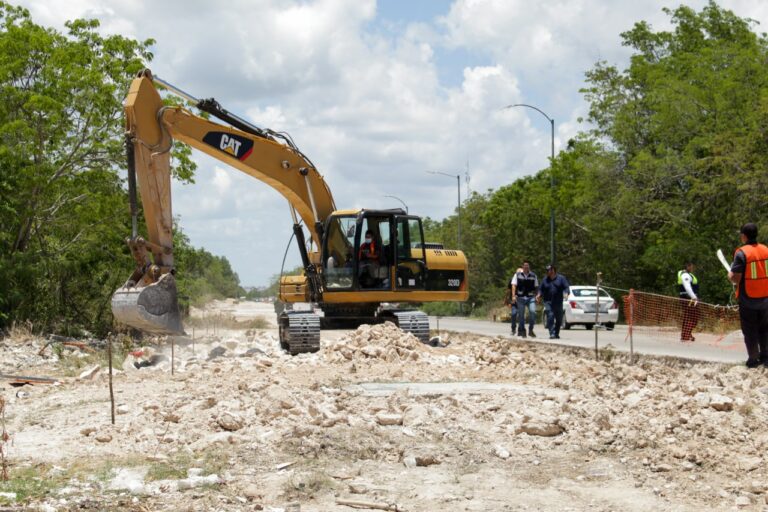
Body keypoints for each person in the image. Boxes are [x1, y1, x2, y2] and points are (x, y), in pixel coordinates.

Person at [728, 223, 768, 368]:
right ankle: (766, 357)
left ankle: (753, 360)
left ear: (744, 236)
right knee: (765, 329)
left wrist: (729, 276)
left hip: (748, 299)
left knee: (750, 330)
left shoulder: (741, 253)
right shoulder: (766, 250)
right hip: (765, 297)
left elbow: (736, 278)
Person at [537, 264, 570, 339]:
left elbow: (566, 287)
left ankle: (556, 333)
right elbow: (540, 289)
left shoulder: (561, 278)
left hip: (558, 301)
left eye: (550, 270)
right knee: (550, 315)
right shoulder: (545, 280)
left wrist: (566, 293)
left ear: (554, 270)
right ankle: (552, 333)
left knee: (559, 319)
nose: (548, 272)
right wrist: (539, 295)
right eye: (547, 270)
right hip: (548, 301)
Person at [511, 261, 538, 338]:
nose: (526, 267)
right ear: (522, 266)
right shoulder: (517, 275)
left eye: (527, 266)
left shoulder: (533, 275)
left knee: (533, 312)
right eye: (525, 265)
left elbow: (536, 286)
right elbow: (513, 285)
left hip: (530, 297)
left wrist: (537, 296)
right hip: (520, 297)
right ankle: (522, 330)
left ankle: (531, 329)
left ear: (529, 267)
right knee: (521, 315)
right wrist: (513, 296)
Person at [677, 261, 699, 342]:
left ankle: (687, 334)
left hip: (688, 298)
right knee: (693, 318)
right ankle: (685, 336)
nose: (693, 268)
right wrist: (694, 298)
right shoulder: (685, 275)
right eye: (692, 267)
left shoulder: (686, 274)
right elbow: (687, 287)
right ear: (688, 267)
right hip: (688, 299)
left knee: (688, 317)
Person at [505, 267, 523, 334]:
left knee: (521, 315)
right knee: (513, 314)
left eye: (520, 273)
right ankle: (513, 329)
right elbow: (508, 290)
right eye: (517, 273)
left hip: (521, 300)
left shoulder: (525, 280)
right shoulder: (512, 280)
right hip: (513, 299)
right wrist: (506, 300)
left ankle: (520, 329)